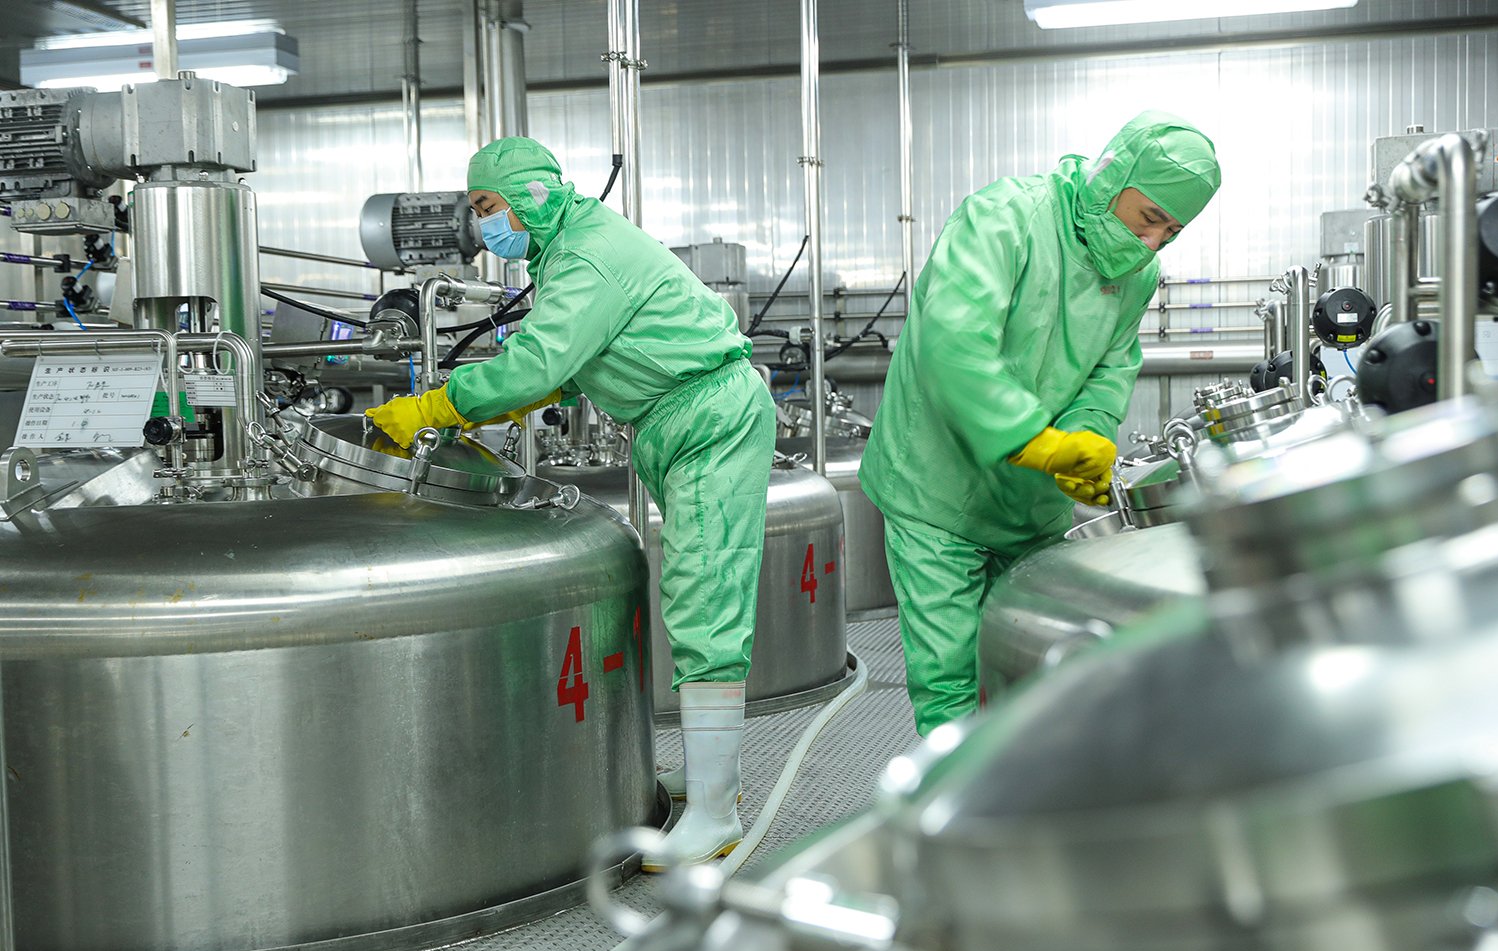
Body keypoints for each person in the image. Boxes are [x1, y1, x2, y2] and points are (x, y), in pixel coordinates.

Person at [365, 137, 776, 869]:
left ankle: (715, 812)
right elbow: (576, 357)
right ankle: (715, 778)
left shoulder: (585, 255)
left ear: (530, 198)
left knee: (703, 596)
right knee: (691, 593)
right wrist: (549, 382)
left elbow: (539, 361)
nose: (484, 224)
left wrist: (435, 406)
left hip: (708, 418)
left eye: (489, 207)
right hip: (679, 415)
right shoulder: (569, 249)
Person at [859, 110, 1221, 738]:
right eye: (1148, 219)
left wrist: (1087, 435)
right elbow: (954, 348)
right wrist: (1036, 440)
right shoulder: (1005, 219)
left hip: (1030, 504)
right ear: (1114, 179)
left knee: (1036, 664)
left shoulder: (1138, 274)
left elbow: (1110, 368)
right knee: (950, 678)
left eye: (1171, 231)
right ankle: (961, 808)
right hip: (935, 486)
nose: (1153, 243)